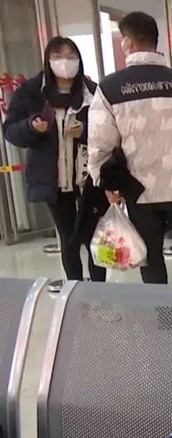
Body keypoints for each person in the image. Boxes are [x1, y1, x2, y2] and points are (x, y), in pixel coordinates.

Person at [87, 11, 172, 286]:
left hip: (139, 192)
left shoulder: (110, 88)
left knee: (150, 260)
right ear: (155, 41)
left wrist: (106, 183)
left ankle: (161, 309)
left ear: (128, 43)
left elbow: (100, 142)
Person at [3, 37, 107, 288]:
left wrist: (84, 132)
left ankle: (99, 290)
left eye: (71, 56)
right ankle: (74, 289)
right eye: (58, 56)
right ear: (48, 60)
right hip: (54, 180)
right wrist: (32, 127)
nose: (65, 62)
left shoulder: (91, 92)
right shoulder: (31, 92)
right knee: (68, 237)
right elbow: (11, 131)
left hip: (89, 179)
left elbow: (108, 131)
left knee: (94, 237)